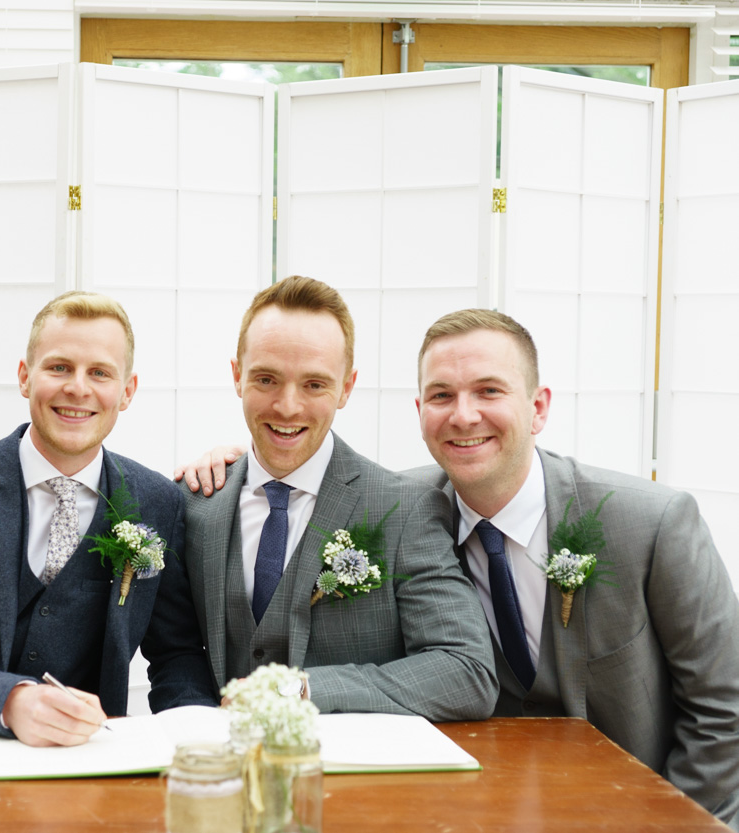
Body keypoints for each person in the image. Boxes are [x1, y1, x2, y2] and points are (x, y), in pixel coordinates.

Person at [413, 308, 739, 828]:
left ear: (538, 407)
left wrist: (679, 823)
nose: (464, 415)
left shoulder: (654, 524)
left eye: (489, 391)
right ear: (420, 409)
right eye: (441, 395)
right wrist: (235, 470)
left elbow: (724, 711)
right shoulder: (399, 512)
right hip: (467, 814)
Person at [0, 291, 217, 746]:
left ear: (128, 391)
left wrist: (200, 737)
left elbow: (176, 655)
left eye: (99, 373)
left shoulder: (159, 502)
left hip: (87, 759)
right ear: (25, 376)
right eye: (59, 368)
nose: (78, 388)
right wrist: (9, 701)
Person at [176, 275, 496, 720]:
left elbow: (467, 672)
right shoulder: (194, 503)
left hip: (355, 777)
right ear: (237, 376)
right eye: (266, 379)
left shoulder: (405, 510)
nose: (288, 407)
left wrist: (306, 690)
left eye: (314, 385)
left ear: (346, 387)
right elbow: (177, 654)